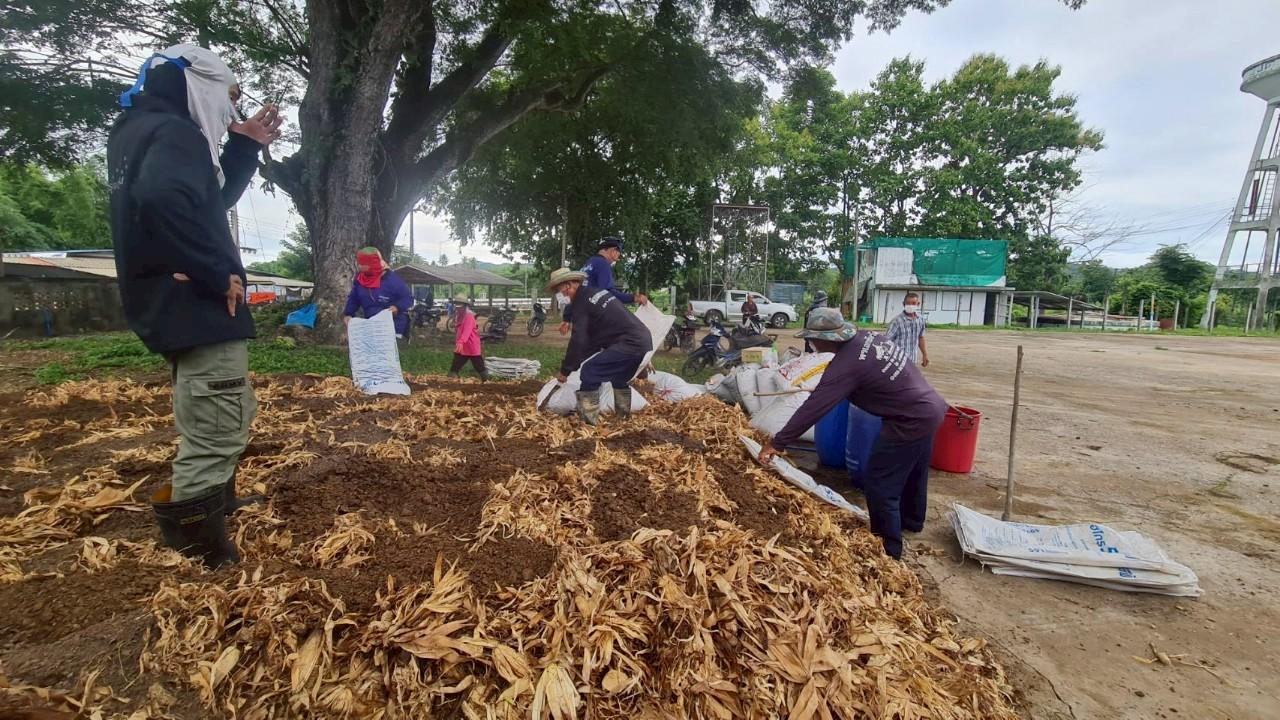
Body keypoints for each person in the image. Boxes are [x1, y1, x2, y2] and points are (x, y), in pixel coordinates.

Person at [108, 44, 283, 568]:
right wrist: (214, 270)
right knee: (217, 416)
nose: (230, 112)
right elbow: (168, 200)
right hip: (197, 301)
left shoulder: (136, 133)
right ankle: (197, 545)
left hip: (168, 303)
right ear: (197, 85)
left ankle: (219, 502)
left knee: (225, 403)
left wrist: (243, 146)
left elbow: (205, 201)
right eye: (227, 99)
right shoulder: (175, 132)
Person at [757, 308, 948, 560]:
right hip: (930, 407)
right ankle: (912, 522)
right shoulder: (869, 338)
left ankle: (888, 551)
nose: (811, 343)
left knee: (880, 483)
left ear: (828, 338)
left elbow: (813, 408)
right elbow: (872, 373)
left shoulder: (846, 364)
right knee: (914, 471)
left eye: (813, 339)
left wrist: (777, 443)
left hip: (908, 420)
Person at [547, 267, 653, 424]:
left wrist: (565, 370)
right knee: (619, 377)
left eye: (559, 290)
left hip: (629, 342)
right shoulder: (594, 292)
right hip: (641, 339)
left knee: (590, 371)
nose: (560, 295)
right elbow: (593, 341)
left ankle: (588, 424)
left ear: (569, 285)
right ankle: (623, 419)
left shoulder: (581, 303)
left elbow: (579, 340)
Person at [559, 236, 648, 335]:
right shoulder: (603, 265)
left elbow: (576, 295)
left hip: (582, 319)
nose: (618, 257)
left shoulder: (588, 264)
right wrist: (634, 298)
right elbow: (607, 294)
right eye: (619, 252)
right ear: (613, 250)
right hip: (595, 319)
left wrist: (566, 318)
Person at [342, 247, 413, 338]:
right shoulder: (360, 280)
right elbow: (354, 299)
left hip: (393, 327)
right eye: (360, 263)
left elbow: (408, 298)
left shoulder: (392, 280)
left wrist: (397, 307)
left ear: (373, 263)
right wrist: (348, 314)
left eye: (364, 263)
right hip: (371, 326)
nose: (360, 266)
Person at [449, 295, 488, 381]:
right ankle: (452, 381)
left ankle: (486, 381)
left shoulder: (469, 316)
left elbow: (467, 330)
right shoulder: (458, 315)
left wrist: (461, 341)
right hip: (462, 345)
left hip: (470, 344)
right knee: (455, 365)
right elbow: (458, 326)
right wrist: (455, 325)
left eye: (460, 307)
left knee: (478, 365)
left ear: (465, 306)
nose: (458, 308)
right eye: (456, 306)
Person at [885, 292, 929, 367]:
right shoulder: (897, 321)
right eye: (908, 303)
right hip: (898, 361)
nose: (910, 306)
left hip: (912, 361)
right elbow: (887, 340)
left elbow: (921, 337)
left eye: (913, 303)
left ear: (918, 304)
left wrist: (925, 355)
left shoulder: (920, 320)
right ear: (903, 304)